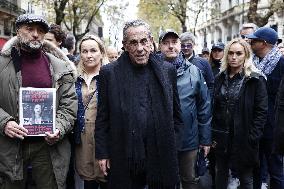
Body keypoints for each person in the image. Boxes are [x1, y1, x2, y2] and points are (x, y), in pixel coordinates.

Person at [95, 19, 183, 189]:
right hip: (123, 153)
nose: (140, 48)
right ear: (125, 45)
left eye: (144, 41)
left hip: (160, 153)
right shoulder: (110, 73)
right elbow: (102, 118)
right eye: (133, 43)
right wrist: (103, 153)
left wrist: (173, 145)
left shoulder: (167, 70)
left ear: (151, 42)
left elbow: (176, 114)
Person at [0, 14, 77, 189]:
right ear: (18, 31)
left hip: (47, 149)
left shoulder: (60, 67)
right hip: (10, 148)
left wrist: (58, 127)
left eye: (40, 30)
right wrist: (4, 122)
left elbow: (69, 106)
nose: (35, 34)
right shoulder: (1, 64)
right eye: (30, 29)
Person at [158, 29, 211, 189]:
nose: (170, 47)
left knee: (189, 179)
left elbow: (204, 106)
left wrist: (205, 139)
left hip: (189, 139)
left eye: (174, 42)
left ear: (180, 45)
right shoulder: (152, 70)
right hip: (161, 140)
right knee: (164, 180)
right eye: (166, 43)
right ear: (160, 46)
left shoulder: (194, 71)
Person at [212, 38, 268, 189]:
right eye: (230, 53)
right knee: (220, 174)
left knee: (246, 178)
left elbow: (261, 112)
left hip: (244, 138)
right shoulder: (219, 78)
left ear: (246, 55)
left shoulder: (255, 80)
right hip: (221, 137)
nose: (234, 57)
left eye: (238, 53)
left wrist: (252, 137)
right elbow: (214, 107)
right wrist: (213, 134)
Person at [246, 27, 284, 189]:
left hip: (273, 128)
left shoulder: (282, 63)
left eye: (254, 40)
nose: (250, 42)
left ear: (264, 43)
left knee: (275, 170)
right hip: (254, 125)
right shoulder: (251, 63)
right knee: (255, 167)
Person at [74, 34, 109, 189]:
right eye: (84, 51)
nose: (89, 55)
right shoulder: (74, 78)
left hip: (106, 139)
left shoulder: (110, 76)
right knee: (88, 182)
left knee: (107, 180)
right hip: (82, 140)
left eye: (93, 50)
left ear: (101, 53)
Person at [179, 31, 214, 97]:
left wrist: (208, 104)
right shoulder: (175, 63)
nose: (186, 48)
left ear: (193, 45)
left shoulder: (204, 63)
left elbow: (210, 86)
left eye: (188, 45)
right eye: (183, 45)